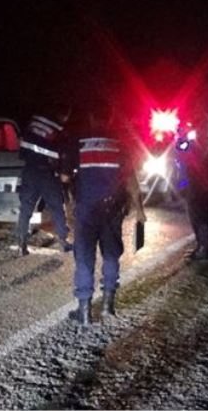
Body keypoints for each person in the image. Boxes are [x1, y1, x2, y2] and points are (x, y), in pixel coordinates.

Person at [66, 112, 145, 325]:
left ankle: (84, 312)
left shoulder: (80, 144)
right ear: (109, 118)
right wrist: (140, 210)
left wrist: (69, 205)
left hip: (86, 210)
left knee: (84, 258)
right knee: (111, 255)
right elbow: (131, 181)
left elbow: (65, 177)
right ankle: (108, 306)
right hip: (112, 210)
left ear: (91, 119)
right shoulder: (119, 145)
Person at [15, 109, 72, 256]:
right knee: (56, 207)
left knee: (26, 208)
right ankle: (63, 242)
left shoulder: (34, 122)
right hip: (47, 174)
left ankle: (21, 244)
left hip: (29, 170)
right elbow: (64, 155)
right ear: (64, 115)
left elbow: (21, 149)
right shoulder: (60, 131)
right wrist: (64, 173)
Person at [174, 123, 208, 261]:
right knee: (203, 217)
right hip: (207, 186)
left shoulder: (194, 145)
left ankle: (203, 249)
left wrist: (181, 136)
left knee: (198, 218)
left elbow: (180, 150)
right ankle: (201, 246)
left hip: (197, 187)